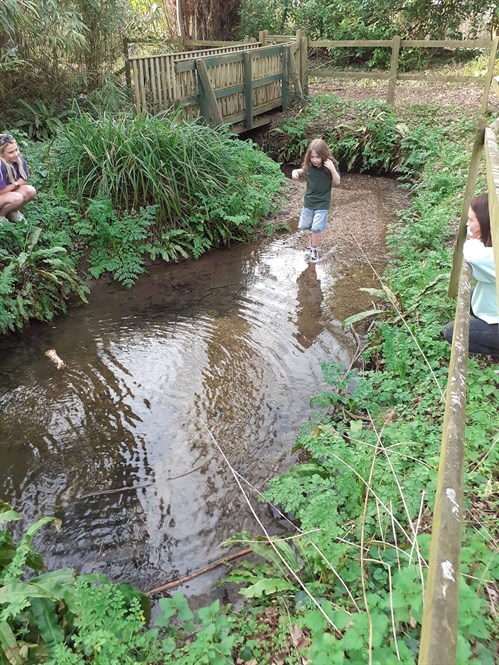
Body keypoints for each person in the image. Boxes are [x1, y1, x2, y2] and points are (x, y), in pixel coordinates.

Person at [444, 193, 499, 358]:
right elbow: (471, 231)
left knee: (451, 331)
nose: (467, 224)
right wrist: (475, 229)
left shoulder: (491, 259)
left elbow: (472, 252)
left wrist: (473, 238)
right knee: (468, 296)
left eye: (471, 220)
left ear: (485, 222)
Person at [292, 138, 340, 263]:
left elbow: (337, 182)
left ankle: (313, 249)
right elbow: (303, 171)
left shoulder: (330, 166)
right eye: (312, 157)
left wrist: (332, 169)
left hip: (322, 203)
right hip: (309, 201)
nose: (314, 160)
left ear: (324, 155)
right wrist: (295, 171)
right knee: (304, 226)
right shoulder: (310, 166)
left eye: (317, 157)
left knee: (316, 228)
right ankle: (313, 237)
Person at [0, 133, 36, 224]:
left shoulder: (18, 159)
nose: (16, 154)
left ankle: (13, 212)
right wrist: (15, 185)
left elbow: (24, 180)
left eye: (16, 149)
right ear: (1, 154)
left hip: (7, 194)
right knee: (17, 198)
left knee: (30, 191)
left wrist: (13, 186)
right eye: (11, 152)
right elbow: (1, 191)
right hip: (3, 195)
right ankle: (1, 216)